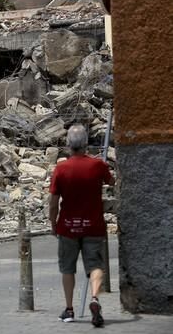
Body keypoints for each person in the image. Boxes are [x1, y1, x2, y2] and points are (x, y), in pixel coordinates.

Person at [49, 124, 114, 327]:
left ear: (69, 145)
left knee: (67, 268)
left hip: (68, 227)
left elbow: (53, 202)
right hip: (93, 225)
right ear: (86, 144)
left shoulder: (61, 169)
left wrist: (53, 222)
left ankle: (69, 309)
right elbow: (112, 182)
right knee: (95, 266)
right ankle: (94, 298)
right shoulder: (97, 166)